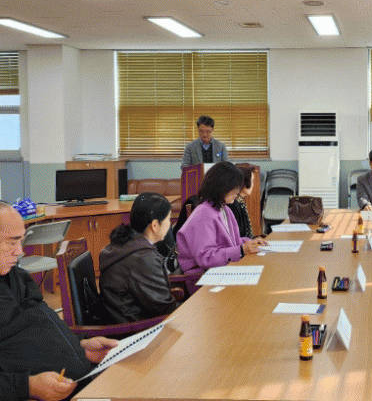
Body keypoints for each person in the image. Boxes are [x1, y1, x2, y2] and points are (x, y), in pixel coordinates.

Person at [0, 202, 118, 401]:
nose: (20, 251)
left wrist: (80, 346)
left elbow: (43, 324)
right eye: (12, 243)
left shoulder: (15, 275)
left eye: (21, 241)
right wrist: (28, 386)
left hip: (84, 382)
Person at [99, 193, 178, 323]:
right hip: (136, 327)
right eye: (168, 219)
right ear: (155, 225)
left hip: (125, 318)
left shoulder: (125, 243)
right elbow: (162, 308)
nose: (170, 224)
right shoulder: (143, 258)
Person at [176, 162, 267, 273]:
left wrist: (250, 242)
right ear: (222, 187)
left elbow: (233, 242)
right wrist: (241, 250)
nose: (237, 192)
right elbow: (206, 257)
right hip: (201, 275)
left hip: (219, 270)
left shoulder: (225, 209)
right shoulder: (203, 214)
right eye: (235, 188)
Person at [227, 163, 258, 239]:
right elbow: (237, 237)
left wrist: (253, 240)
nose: (253, 185)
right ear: (243, 182)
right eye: (252, 181)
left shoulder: (240, 202)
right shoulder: (233, 204)